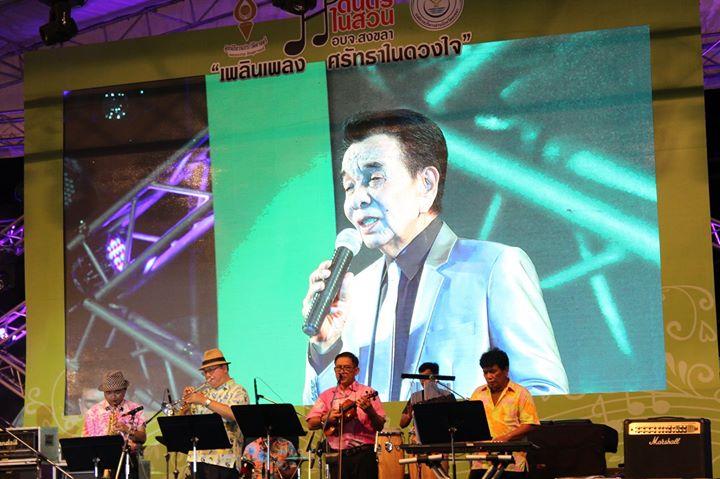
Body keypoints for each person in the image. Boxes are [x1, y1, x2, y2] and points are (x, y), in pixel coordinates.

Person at [302, 109, 568, 403]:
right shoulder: (354, 293)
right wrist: (325, 346)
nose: (356, 200)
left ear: (426, 183)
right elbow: (324, 415)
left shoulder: (495, 267)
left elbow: (545, 395)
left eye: (374, 178)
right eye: (349, 186)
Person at [306, 352, 386, 479]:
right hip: (337, 458)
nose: (342, 371)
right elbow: (311, 423)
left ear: (356, 370)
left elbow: (380, 426)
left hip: (364, 456)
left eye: (347, 368)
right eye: (338, 367)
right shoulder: (327, 395)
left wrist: (370, 411)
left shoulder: (367, 392)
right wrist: (326, 418)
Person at [469, 348, 540, 479]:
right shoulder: (478, 393)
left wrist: (506, 437)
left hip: (512, 463)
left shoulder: (520, 393)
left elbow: (530, 424)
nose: (489, 376)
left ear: (506, 370)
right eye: (485, 372)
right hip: (481, 462)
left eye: (493, 371)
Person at [180, 348, 250, 479]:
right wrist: (186, 407)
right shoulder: (204, 393)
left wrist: (204, 401)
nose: (207, 375)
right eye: (205, 372)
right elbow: (186, 425)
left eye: (211, 370)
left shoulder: (238, 391)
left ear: (224, 368)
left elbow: (234, 415)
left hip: (223, 461)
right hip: (197, 458)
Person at [83, 370, 146, 479]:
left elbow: (143, 437)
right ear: (104, 393)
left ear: (125, 390)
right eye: (108, 393)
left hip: (128, 460)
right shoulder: (93, 412)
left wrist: (127, 430)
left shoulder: (135, 409)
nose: (113, 397)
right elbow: (86, 441)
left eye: (117, 392)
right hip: (101, 461)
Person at [399, 362, 453, 429]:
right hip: (420, 434)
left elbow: (455, 419)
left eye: (426, 377)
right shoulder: (415, 397)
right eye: (420, 378)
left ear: (435, 377)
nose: (422, 381)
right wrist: (408, 417)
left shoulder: (447, 396)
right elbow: (402, 424)